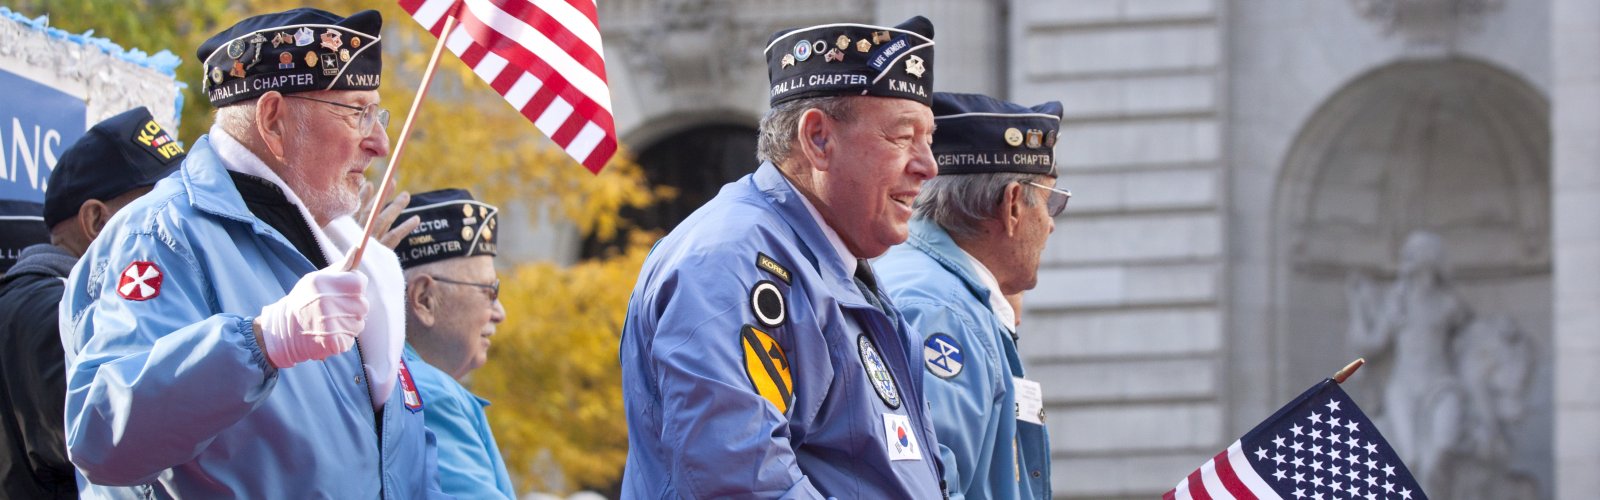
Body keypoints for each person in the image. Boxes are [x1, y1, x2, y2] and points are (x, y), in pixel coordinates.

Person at [58, 8, 446, 497]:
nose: (380, 142)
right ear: (273, 119)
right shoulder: (161, 233)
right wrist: (261, 342)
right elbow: (102, 439)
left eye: (377, 113)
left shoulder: (348, 252)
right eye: (356, 112)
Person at [619, 16, 947, 498]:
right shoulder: (728, 261)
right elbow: (741, 482)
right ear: (817, 139)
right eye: (901, 137)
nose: (928, 165)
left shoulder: (830, 262)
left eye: (929, 139)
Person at [876, 92, 1069, 499]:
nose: (1050, 224)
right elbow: (933, 487)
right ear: (1013, 204)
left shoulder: (938, 289)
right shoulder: (940, 309)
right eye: (1050, 202)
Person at [0, 106, 185, 499]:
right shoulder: (51, 312)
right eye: (158, 208)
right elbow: (119, 443)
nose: (179, 221)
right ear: (97, 221)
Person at [391, 189, 515, 499]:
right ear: (423, 300)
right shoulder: (426, 394)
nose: (500, 313)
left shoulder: (392, 378)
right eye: (489, 291)